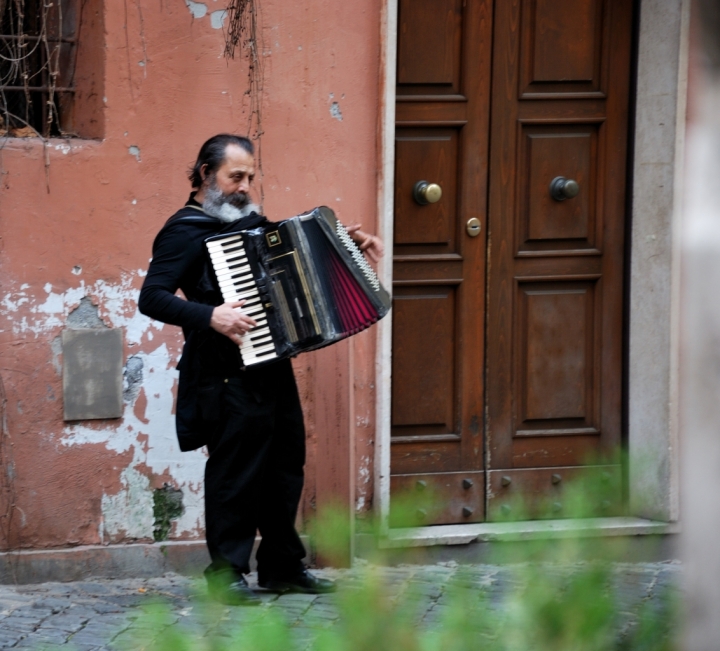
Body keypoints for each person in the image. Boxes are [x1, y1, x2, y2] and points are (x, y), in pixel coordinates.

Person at [138, 134, 384, 606]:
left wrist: (344, 242)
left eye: (250, 176)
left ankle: (282, 567)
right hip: (221, 372)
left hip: (269, 362)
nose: (244, 185)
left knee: (285, 465)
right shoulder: (183, 230)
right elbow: (152, 296)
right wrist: (211, 315)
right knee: (236, 472)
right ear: (205, 174)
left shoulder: (247, 223)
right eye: (235, 176)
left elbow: (292, 252)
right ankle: (224, 572)